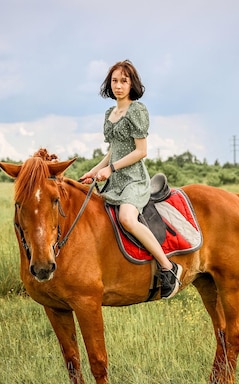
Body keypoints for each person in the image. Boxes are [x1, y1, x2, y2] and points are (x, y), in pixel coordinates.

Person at [80, 60, 183, 299]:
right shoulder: (110, 113)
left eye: (124, 81)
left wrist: (112, 169)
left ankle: (168, 268)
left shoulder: (136, 111)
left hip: (133, 180)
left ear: (132, 84)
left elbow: (141, 151)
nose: (118, 86)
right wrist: (94, 170)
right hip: (114, 180)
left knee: (127, 217)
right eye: (114, 81)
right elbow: (113, 150)